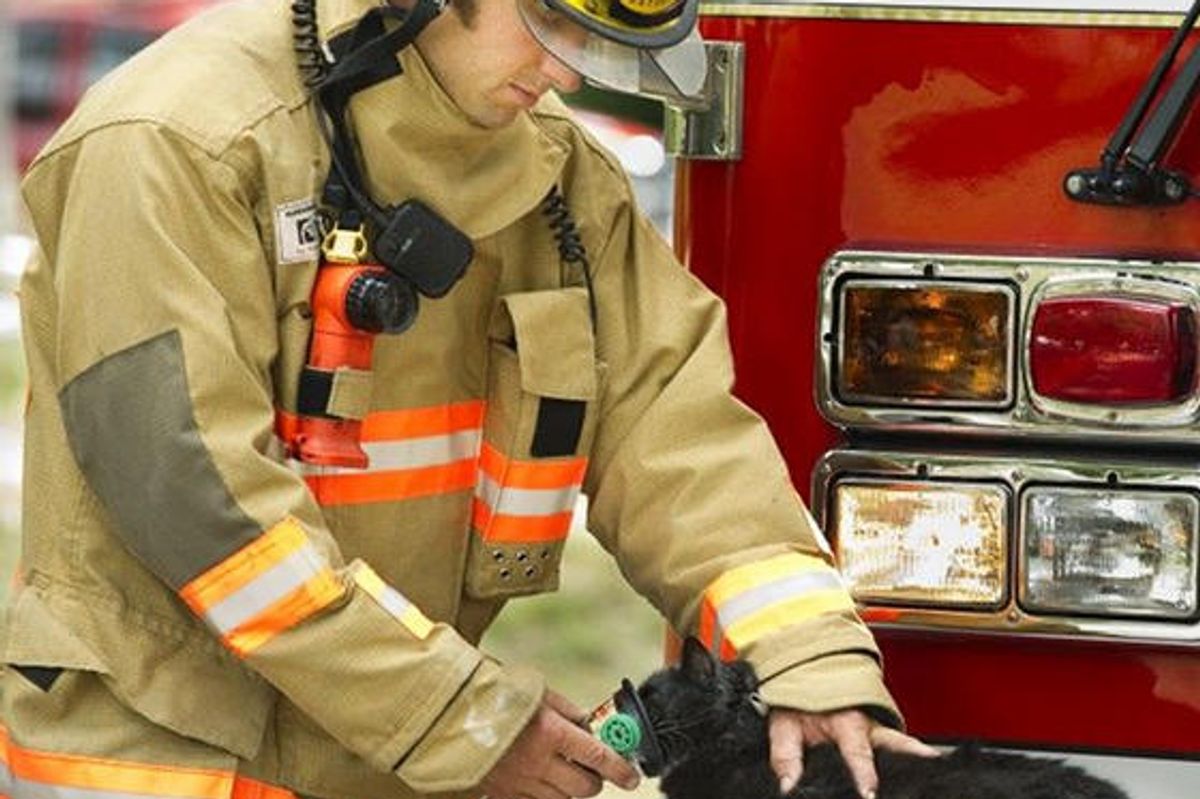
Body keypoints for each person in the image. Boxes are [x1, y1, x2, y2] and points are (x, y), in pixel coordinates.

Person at [2, 0, 935, 798]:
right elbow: (200, 506)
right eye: (544, 24)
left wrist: (808, 658)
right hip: (167, 758)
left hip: (399, 751)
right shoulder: (174, 145)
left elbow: (679, 440)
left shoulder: (560, 183)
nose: (566, 80)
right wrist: (460, 718)